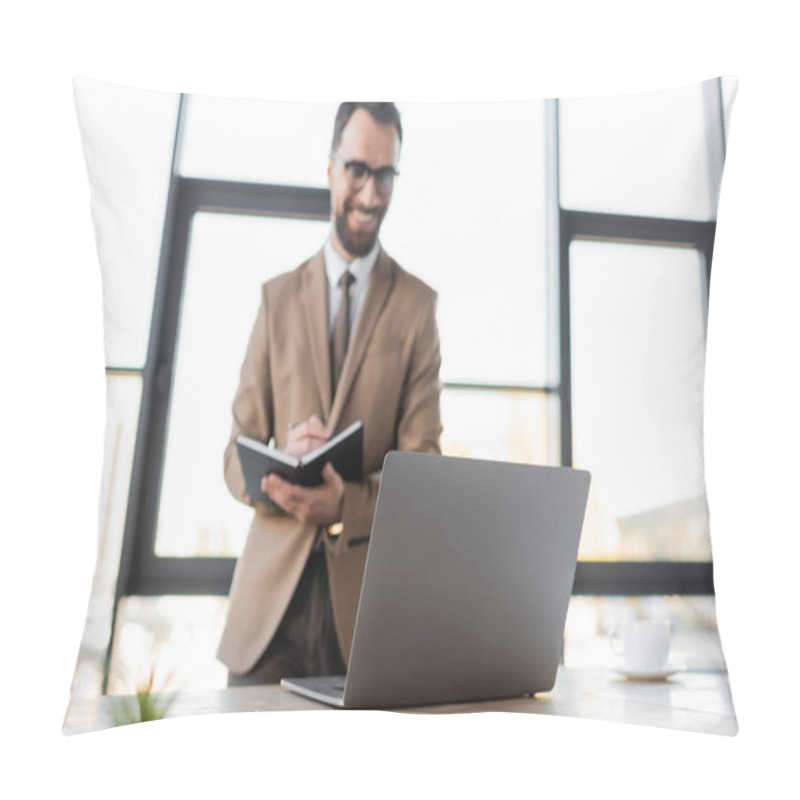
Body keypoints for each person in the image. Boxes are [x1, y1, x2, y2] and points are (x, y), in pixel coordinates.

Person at [217, 102, 443, 685]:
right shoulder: (277, 299)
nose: (370, 194)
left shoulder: (417, 308)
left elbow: (424, 470)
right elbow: (233, 456)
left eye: (386, 175)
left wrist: (346, 504)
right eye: (357, 171)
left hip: (366, 618)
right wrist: (282, 469)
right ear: (330, 170)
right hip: (268, 616)